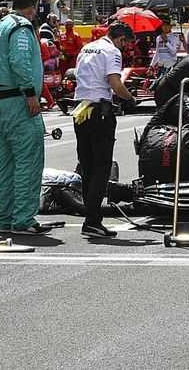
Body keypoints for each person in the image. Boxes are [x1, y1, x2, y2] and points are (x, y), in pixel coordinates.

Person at [0, 0, 51, 236]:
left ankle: (5, 218)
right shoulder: (21, 27)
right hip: (17, 101)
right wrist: (30, 93)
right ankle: (23, 219)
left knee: (3, 162)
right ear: (32, 9)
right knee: (29, 159)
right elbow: (20, 61)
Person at [72, 20, 137, 238]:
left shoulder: (87, 48)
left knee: (88, 166)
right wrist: (130, 98)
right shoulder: (112, 51)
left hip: (80, 109)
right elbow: (116, 84)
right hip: (100, 111)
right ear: (121, 39)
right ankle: (92, 220)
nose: (125, 48)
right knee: (102, 167)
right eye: (126, 44)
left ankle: (90, 218)